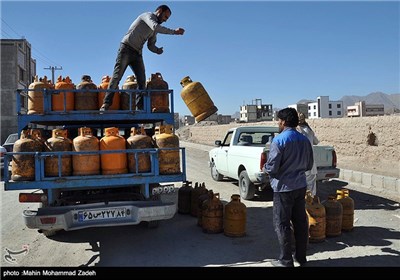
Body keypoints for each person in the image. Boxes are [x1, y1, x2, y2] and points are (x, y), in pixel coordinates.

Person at [100, 5, 185, 111]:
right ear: (159, 11)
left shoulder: (155, 29)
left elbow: (150, 45)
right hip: (126, 48)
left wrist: (157, 50)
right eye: (165, 16)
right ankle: (106, 104)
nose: (165, 20)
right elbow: (155, 27)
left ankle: (139, 108)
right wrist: (174, 32)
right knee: (117, 76)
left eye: (167, 18)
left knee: (141, 81)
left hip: (137, 54)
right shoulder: (147, 16)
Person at [263, 108, 313, 267]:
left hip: (283, 188)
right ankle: (301, 258)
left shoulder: (278, 141)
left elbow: (272, 167)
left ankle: (286, 261)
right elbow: (309, 165)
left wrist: (265, 167)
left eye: (279, 121)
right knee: (300, 223)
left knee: (282, 224)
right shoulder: (304, 140)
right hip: (300, 186)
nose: (278, 123)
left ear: (283, 122)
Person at [296, 112, 319, 196]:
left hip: (300, 164)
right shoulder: (309, 130)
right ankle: (311, 205)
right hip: (311, 164)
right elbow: (316, 142)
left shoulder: (295, 130)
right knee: (311, 188)